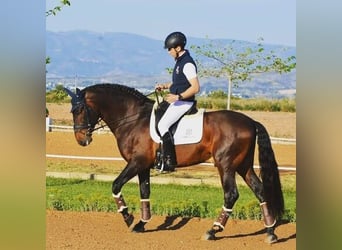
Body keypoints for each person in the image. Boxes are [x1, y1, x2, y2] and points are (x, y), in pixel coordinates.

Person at [155, 31, 200, 172]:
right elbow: (180, 82)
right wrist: (165, 86)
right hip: (178, 101)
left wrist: (178, 97)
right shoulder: (180, 62)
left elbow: (196, 87)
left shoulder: (187, 64)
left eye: (170, 49)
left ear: (178, 48)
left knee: (162, 125)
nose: (169, 52)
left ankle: (169, 161)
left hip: (184, 102)